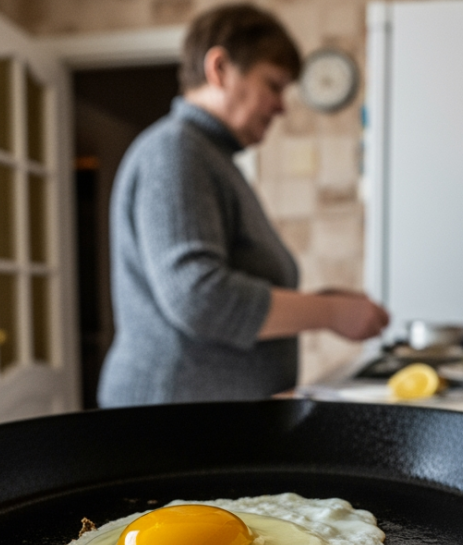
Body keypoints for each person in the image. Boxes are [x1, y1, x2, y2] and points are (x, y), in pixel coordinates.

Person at [99, 4, 389, 408]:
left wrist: (326, 301)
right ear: (219, 68)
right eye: (273, 85)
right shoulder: (176, 150)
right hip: (171, 423)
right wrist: (329, 313)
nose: (282, 106)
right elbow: (198, 297)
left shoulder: (210, 157)